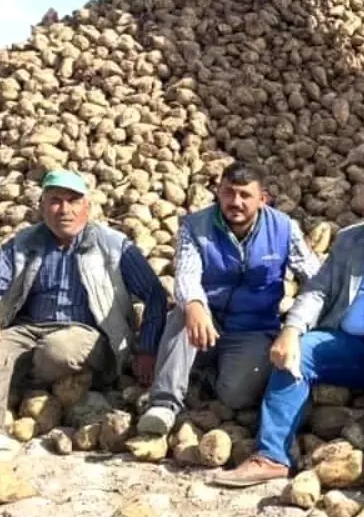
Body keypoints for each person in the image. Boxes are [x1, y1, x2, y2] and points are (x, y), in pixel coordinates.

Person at [213, 174, 364, 517]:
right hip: (347, 343)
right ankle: (271, 456)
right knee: (300, 351)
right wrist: (292, 329)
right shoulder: (349, 240)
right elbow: (318, 290)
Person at [0, 169, 168, 466]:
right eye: (55, 201)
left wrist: (147, 349)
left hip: (88, 334)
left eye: (73, 201)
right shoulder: (25, 242)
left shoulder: (113, 246)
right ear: (42, 206)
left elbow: (155, 295)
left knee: (58, 350)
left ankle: (24, 381)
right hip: (29, 329)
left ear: (87, 207)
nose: (64, 210)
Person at [137, 164, 320, 434]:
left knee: (236, 397)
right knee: (182, 314)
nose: (236, 202)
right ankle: (164, 404)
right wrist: (195, 305)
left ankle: (202, 376)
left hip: (253, 327)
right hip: (207, 319)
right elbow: (186, 273)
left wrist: (299, 323)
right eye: (228, 193)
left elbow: (314, 278)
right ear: (218, 193)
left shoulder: (283, 229)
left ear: (262, 199)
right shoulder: (195, 226)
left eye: (245, 195)